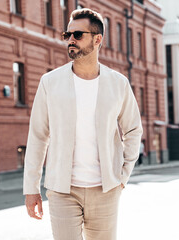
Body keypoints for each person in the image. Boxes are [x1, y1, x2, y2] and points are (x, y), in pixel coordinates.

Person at [23, 8, 143, 240]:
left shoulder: (118, 83)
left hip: (106, 189)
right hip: (62, 190)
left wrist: (122, 176)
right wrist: (31, 189)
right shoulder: (50, 82)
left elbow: (133, 129)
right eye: (67, 34)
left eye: (78, 35)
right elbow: (38, 136)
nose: (70, 40)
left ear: (97, 39)